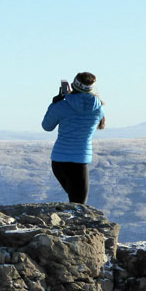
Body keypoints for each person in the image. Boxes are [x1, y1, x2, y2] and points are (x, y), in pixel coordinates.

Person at [41, 72, 105, 204]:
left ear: (73, 86)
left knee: (75, 202)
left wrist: (54, 104)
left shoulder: (62, 105)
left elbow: (47, 126)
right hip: (79, 161)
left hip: (59, 161)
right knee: (79, 205)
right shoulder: (98, 109)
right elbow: (99, 124)